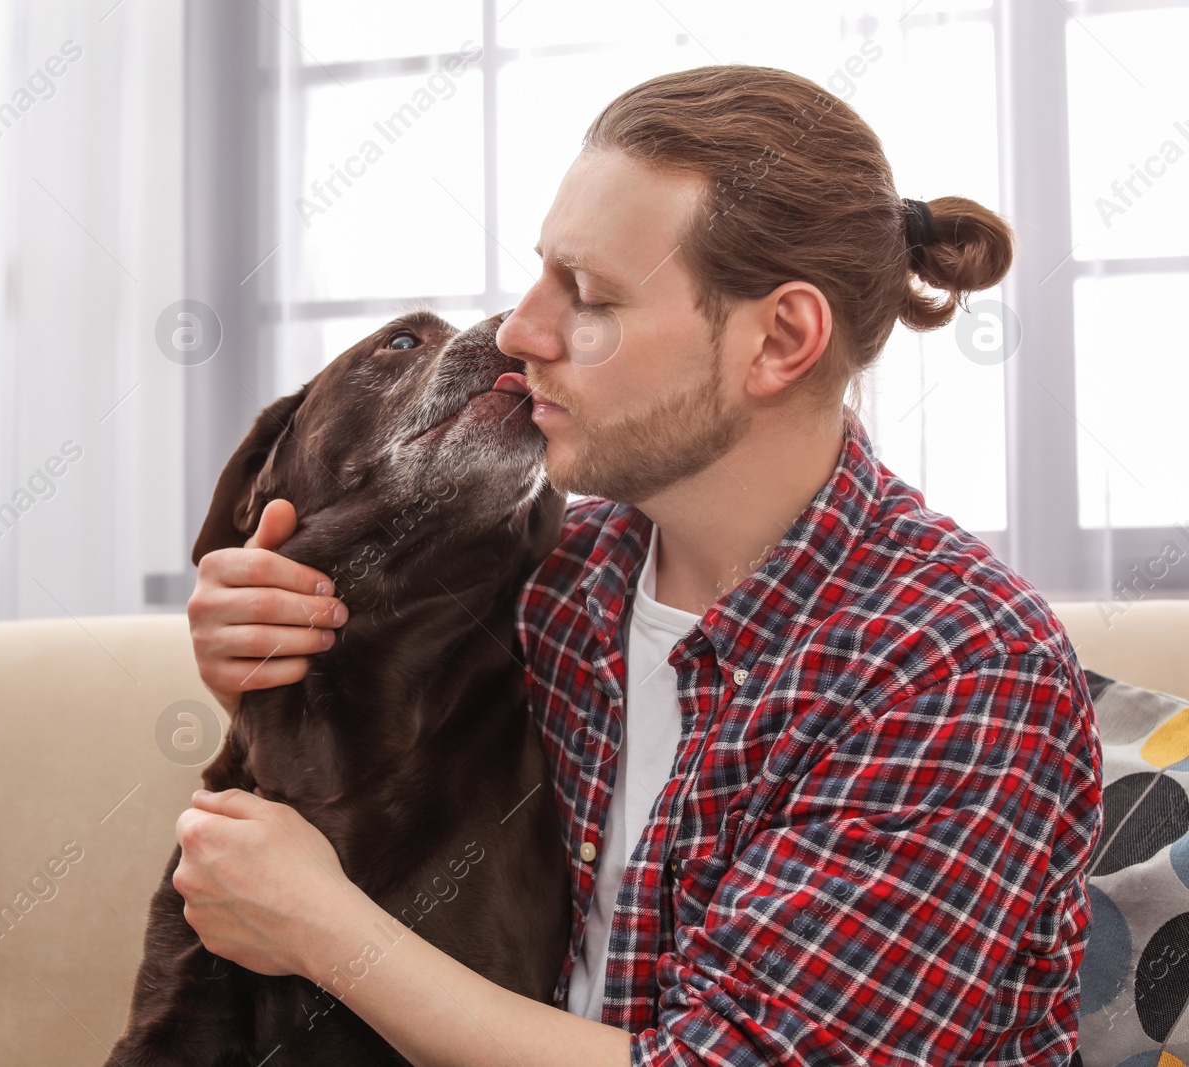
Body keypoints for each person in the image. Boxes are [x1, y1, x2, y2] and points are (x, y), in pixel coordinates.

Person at [171, 64, 1101, 1065]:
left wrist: (328, 933)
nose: (520, 333)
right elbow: (394, 788)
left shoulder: (954, 668)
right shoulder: (553, 582)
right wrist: (266, 659)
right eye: (542, 271)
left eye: (591, 297)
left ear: (780, 338)